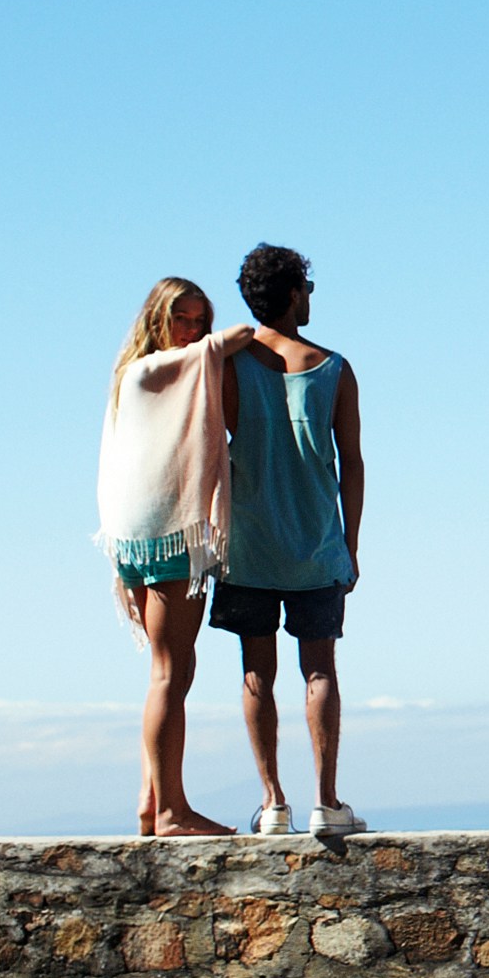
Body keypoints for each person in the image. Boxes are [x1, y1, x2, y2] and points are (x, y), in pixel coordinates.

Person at [94, 276, 261, 836]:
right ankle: (171, 811)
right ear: (155, 320)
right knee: (170, 672)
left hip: (137, 534)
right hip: (167, 535)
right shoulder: (156, 369)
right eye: (181, 318)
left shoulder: (129, 376)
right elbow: (241, 335)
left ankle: (150, 798)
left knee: (173, 669)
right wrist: (217, 341)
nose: (191, 330)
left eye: (198, 320)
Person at [210, 243, 366, 838]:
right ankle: (326, 801)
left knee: (256, 669)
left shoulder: (231, 365)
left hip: (247, 542)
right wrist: (350, 543)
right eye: (307, 285)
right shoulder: (333, 368)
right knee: (319, 669)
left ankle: (273, 802)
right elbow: (350, 462)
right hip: (317, 543)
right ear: (294, 292)